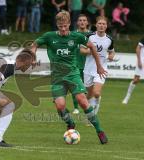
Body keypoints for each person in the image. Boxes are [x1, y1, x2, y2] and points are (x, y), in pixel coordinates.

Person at [30, 11, 108, 144]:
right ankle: (70, 123)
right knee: (60, 106)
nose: (63, 29)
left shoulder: (76, 36)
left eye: (65, 26)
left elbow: (92, 47)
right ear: (57, 25)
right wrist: (32, 56)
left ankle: (99, 131)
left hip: (73, 74)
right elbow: (34, 45)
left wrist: (99, 66)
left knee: (82, 101)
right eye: (60, 26)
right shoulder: (49, 36)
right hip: (57, 77)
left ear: (69, 24)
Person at [83, 16, 115, 115]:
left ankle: (93, 113)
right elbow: (81, 50)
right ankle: (90, 109)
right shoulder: (89, 36)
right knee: (88, 95)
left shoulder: (109, 39)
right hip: (88, 69)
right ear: (96, 25)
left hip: (101, 69)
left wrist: (111, 56)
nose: (101, 25)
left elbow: (112, 52)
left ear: (106, 26)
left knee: (96, 93)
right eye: (100, 23)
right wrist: (90, 51)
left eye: (104, 24)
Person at [71, 14, 90, 114]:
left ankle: (87, 106)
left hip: (88, 66)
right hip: (75, 65)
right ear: (77, 23)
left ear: (87, 23)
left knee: (87, 88)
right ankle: (76, 108)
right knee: (76, 87)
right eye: (80, 20)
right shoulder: (72, 35)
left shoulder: (92, 35)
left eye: (84, 20)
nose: (82, 22)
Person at [122, 37, 144, 104]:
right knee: (136, 80)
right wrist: (139, 61)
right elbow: (138, 48)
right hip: (142, 61)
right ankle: (127, 97)